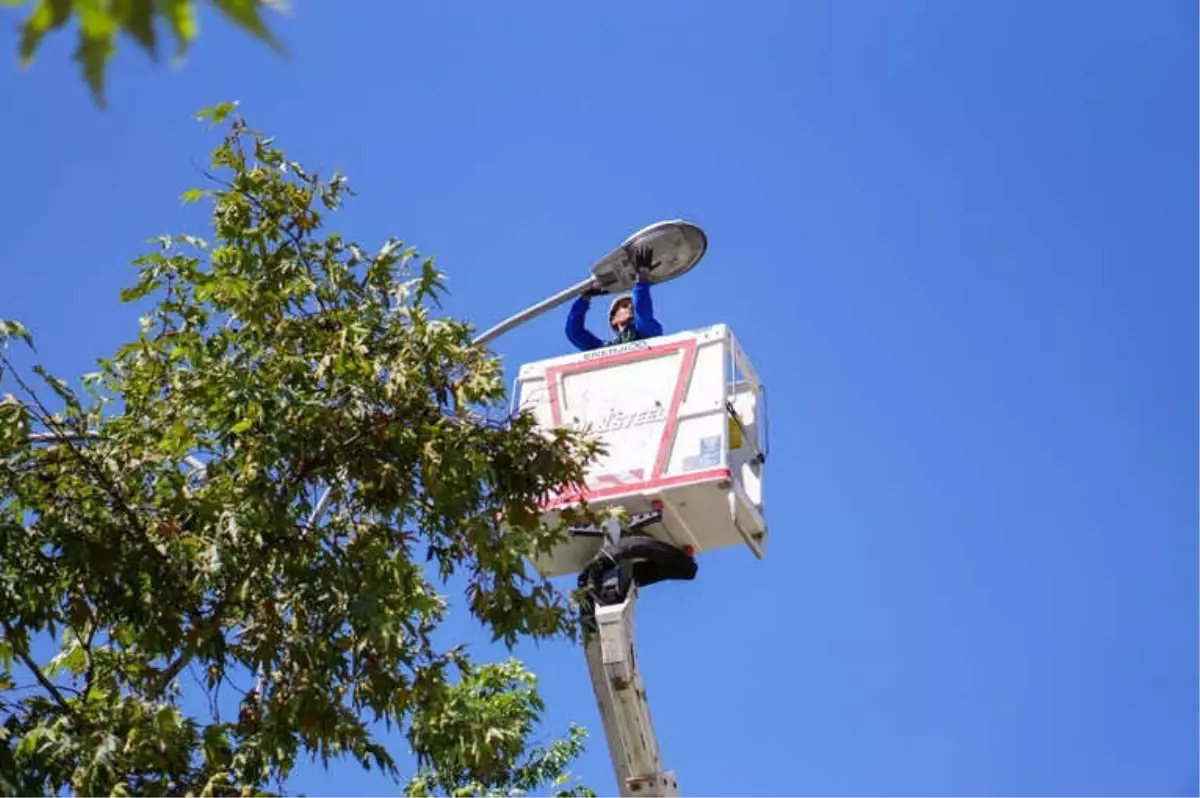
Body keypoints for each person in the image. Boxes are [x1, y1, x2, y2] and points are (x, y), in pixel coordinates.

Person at [565, 246, 663, 351]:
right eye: (624, 306)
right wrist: (584, 298)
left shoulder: (649, 332)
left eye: (632, 305)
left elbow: (642, 311)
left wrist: (642, 280)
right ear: (613, 320)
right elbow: (574, 333)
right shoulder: (604, 349)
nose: (630, 307)